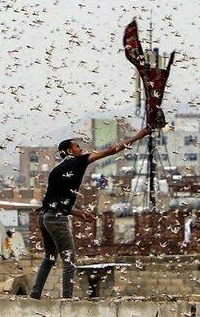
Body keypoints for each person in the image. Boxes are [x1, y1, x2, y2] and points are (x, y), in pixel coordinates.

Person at [29, 127, 151, 299]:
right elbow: (111, 150)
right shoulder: (79, 162)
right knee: (69, 261)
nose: (81, 149)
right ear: (71, 151)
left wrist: (79, 214)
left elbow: (54, 203)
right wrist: (141, 135)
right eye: (78, 146)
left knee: (49, 257)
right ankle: (67, 302)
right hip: (56, 219)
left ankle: (35, 295)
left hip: (45, 217)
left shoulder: (56, 171)